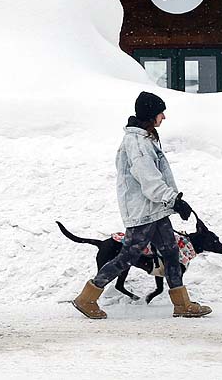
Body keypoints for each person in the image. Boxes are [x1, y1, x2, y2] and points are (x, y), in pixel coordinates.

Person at [71, 91, 212, 319]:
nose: (164, 117)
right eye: (160, 112)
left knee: (171, 253)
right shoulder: (136, 142)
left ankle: (182, 304)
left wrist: (174, 202)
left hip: (155, 210)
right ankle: (87, 297)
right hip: (144, 211)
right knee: (127, 256)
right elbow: (149, 179)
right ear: (150, 114)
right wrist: (173, 199)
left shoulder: (146, 138)